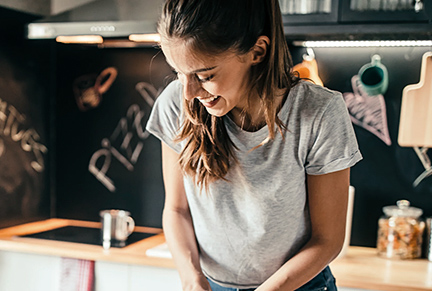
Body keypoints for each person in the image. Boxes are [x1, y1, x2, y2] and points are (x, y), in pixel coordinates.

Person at [146, 0, 362, 290]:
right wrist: (192, 279)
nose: (189, 93)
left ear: (257, 51)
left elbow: (327, 240)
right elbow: (176, 210)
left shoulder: (319, 112)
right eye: (178, 73)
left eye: (205, 75)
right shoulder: (176, 105)